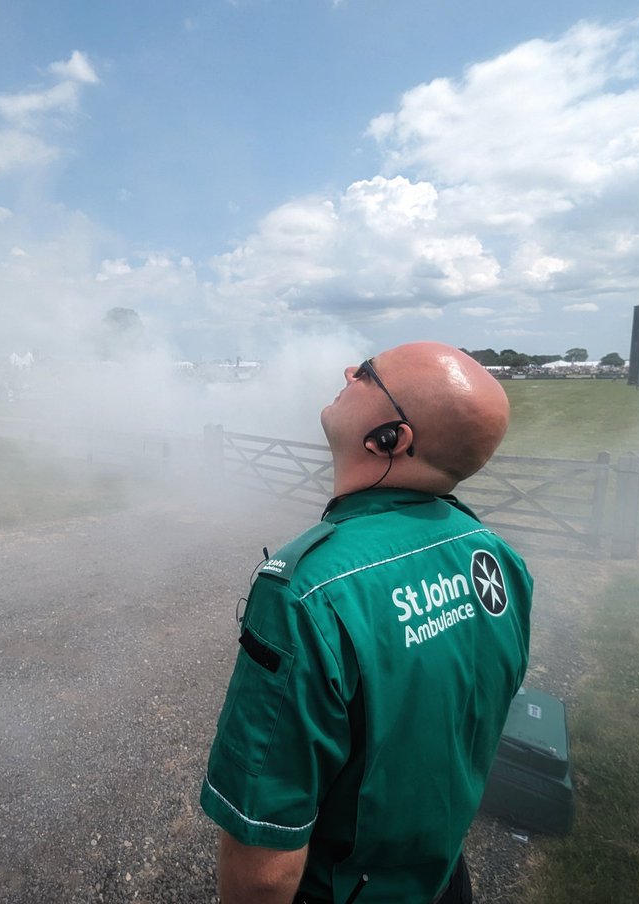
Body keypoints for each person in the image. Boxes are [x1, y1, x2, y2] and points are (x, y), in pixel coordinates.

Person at [200, 342, 532, 904]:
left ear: (390, 438)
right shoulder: (498, 557)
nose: (349, 370)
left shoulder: (306, 591)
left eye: (368, 373)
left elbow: (264, 862)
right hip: (442, 879)